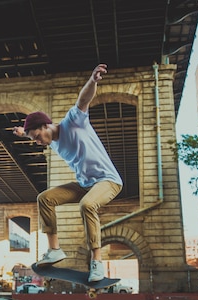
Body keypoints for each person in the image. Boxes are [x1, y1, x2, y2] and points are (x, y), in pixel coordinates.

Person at [13, 64, 123, 283]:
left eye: (37, 137)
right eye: (34, 139)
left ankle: (97, 262)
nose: (37, 142)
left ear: (46, 125)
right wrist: (23, 132)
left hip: (108, 181)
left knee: (87, 205)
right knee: (44, 198)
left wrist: (92, 80)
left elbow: (83, 101)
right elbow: (34, 133)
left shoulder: (73, 122)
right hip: (84, 184)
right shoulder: (51, 140)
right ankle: (54, 250)